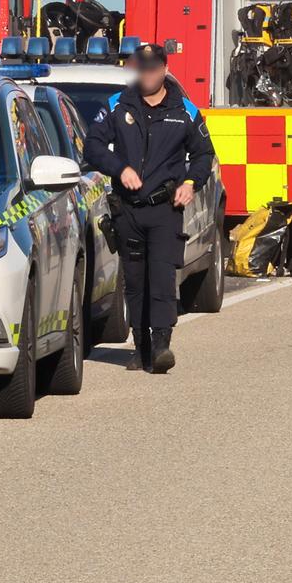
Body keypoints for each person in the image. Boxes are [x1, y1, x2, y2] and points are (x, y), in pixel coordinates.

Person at [85, 42, 215, 373]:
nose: (147, 75)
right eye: (142, 69)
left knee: (161, 275)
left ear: (165, 70)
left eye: (153, 69)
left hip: (164, 207)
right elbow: (93, 145)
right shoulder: (117, 105)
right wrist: (119, 168)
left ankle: (161, 345)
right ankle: (141, 346)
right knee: (135, 279)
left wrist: (190, 184)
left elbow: (203, 154)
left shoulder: (185, 110)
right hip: (127, 209)